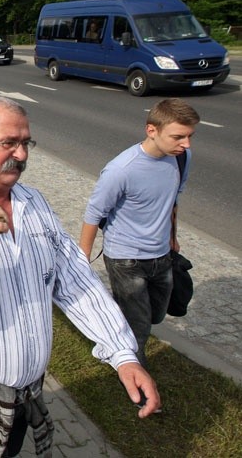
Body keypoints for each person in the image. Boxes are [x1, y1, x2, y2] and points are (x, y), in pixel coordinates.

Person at [0, 96, 161, 457]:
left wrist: (122, 354)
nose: (21, 155)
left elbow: (76, 281)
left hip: (27, 393)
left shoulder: (33, 203)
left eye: (25, 143)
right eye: (9, 143)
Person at [79, 98, 199, 368]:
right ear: (151, 130)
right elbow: (93, 213)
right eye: (178, 137)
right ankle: (138, 385)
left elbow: (173, 201)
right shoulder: (121, 169)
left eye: (190, 136)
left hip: (162, 255)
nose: (187, 144)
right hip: (126, 259)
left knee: (157, 314)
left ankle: (113, 322)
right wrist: (82, 258)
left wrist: (172, 237)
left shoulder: (180, 159)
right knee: (139, 327)